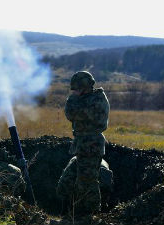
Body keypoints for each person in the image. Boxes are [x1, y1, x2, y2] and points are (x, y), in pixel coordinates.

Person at [56, 71, 110, 220]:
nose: (74, 92)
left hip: (91, 145)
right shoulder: (84, 99)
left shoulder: (98, 99)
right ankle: (68, 213)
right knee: (66, 181)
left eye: (77, 89)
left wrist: (73, 100)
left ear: (85, 87)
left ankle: (91, 216)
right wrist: (74, 99)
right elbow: (69, 113)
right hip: (81, 144)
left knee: (87, 183)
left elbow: (74, 113)